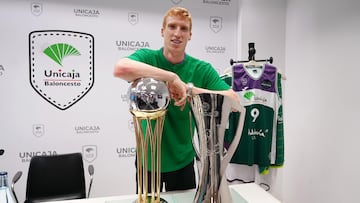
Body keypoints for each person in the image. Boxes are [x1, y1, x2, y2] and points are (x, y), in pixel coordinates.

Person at [113, 6, 238, 192]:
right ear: (162, 31)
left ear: (190, 35)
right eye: (172, 27)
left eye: (183, 28)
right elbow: (120, 69)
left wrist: (189, 89)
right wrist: (171, 78)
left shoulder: (200, 69)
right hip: (148, 162)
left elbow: (234, 101)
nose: (177, 33)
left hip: (183, 162)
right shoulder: (148, 58)